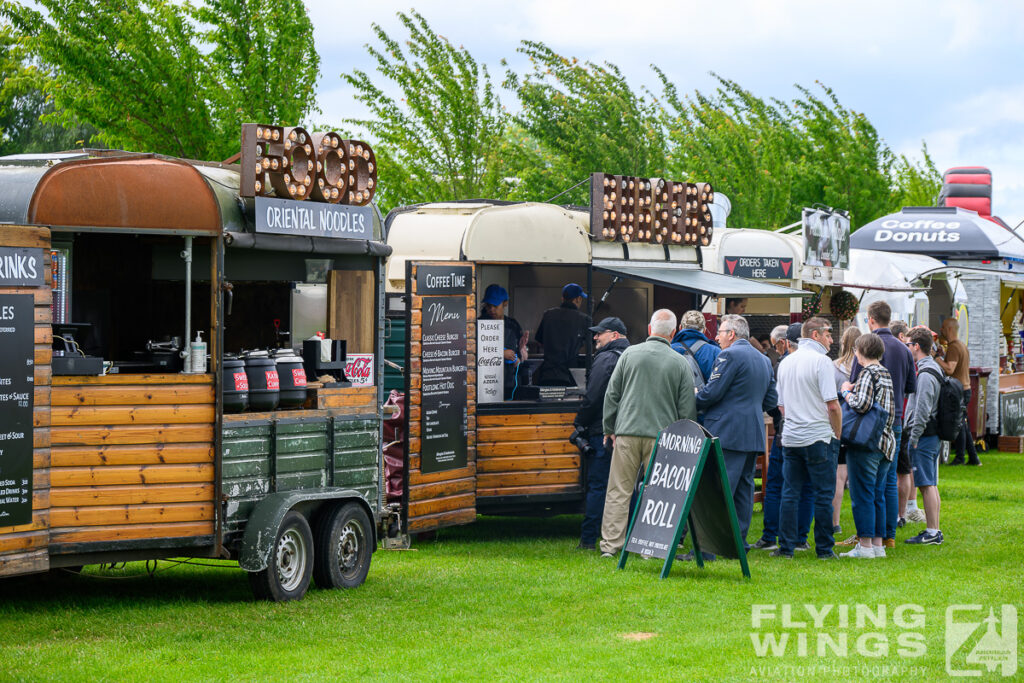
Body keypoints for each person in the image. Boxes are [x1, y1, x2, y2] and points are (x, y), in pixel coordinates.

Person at [599, 309, 697, 558]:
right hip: (662, 437)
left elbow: (612, 394)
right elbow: (686, 409)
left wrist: (609, 428)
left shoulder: (630, 354)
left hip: (627, 433)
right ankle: (649, 547)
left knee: (618, 491)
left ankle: (611, 546)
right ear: (673, 333)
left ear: (649, 329)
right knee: (658, 494)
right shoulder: (679, 362)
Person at [695, 314, 777, 550]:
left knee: (717, 489)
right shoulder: (762, 358)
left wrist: (691, 398)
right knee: (743, 490)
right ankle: (738, 542)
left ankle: (707, 548)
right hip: (752, 431)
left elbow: (712, 393)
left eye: (720, 332)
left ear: (731, 334)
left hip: (727, 431)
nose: (716, 337)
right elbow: (771, 399)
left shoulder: (729, 354)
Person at [845, 301, 915, 550]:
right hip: (893, 425)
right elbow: (909, 388)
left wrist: (845, 393)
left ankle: (867, 542)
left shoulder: (868, 360)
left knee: (865, 489)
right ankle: (886, 537)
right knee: (885, 486)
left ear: (871, 319)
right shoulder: (904, 351)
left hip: (869, 430)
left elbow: (858, 394)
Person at [774, 317, 842, 560]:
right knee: (823, 495)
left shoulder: (786, 362)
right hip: (818, 436)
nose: (831, 340)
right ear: (816, 335)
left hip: (792, 436)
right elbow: (833, 405)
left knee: (790, 493)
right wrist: (837, 432)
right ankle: (824, 549)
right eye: (829, 334)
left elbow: (780, 406)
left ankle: (786, 548)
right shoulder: (822, 362)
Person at [754, 323, 814, 552]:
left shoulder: (782, 366)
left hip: (785, 432)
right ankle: (800, 538)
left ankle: (771, 535)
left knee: (777, 485)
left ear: (785, 343)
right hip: (811, 433)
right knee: (806, 486)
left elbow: (773, 401)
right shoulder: (816, 364)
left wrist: (776, 417)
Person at [573, 317, 630, 551]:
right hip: (628, 430)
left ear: (614, 335)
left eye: (600, 333)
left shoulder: (606, 358)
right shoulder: (633, 355)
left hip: (602, 431)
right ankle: (632, 537)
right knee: (628, 487)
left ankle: (588, 538)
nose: (595, 337)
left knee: (598, 486)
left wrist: (579, 423)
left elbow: (594, 396)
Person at [839, 334, 897, 559]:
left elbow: (862, 404)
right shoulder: (884, 372)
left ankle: (864, 547)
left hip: (867, 444)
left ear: (860, 351)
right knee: (877, 495)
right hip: (886, 442)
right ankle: (878, 545)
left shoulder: (867, 373)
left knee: (862, 494)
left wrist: (845, 391)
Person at [904, 327, 945, 545]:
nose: (906, 347)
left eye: (908, 344)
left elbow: (922, 410)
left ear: (916, 346)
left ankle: (932, 532)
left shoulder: (927, 373)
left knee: (926, 484)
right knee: (930, 483)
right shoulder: (931, 368)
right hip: (929, 435)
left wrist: (914, 437)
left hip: (924, 436)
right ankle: (934, 531)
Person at [937, 317, 980, 466]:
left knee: (959, 424)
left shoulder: (954, 347)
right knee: (963, 424)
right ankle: (974, 458)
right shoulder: (961, 345)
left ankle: (960, 457)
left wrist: (936, 357)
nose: (941, 330)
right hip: (965, 388)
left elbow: (950, 369)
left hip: (958, 391)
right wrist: (942, 355)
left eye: (943, 327)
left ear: (949, 329)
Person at [831, 326, 862, 535]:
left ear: (843, 343)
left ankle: (834, 522)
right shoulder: (865, 367)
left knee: (839, 476)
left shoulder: (834, 366)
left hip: (841, 423)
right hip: (861, 425)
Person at [534, 283, 592, 387]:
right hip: (570, 376)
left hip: (547, 375)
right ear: (578, 299)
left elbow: (539, 339)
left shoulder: (548, 315)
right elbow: (592, 343)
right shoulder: (584, 319)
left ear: (562, 298)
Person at [480, 284, 528, 400]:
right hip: (486, 384)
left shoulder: (513, 325)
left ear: (505, 303)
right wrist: (500, 353)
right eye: (488, 306)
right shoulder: (479, 324)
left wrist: (522, 351)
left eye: (495, 306)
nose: (491, 309)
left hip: (510, 382)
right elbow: (474, 351)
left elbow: (520, 354)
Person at [670, 310, 720, 384]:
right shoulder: (715, 352)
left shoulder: (669, 349)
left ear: (680, 328)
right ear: (704, 330)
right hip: (705, 395)